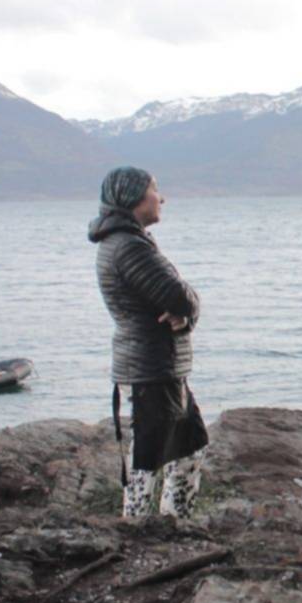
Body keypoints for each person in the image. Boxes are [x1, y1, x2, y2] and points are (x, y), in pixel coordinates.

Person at [88, 167, 208, 519]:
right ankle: (139, 530)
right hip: (151, 369)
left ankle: (172, 523)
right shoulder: (129, 248)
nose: (162, 198)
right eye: (156, 190)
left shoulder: (127, 241)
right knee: (147, 460)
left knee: (189, 449)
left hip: (159, 367)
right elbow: (181, 297)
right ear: (135, 198)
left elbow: (181, 306)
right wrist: (189, 310)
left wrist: (186, 317)